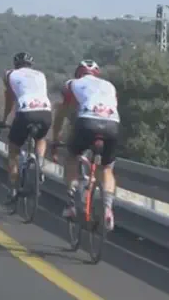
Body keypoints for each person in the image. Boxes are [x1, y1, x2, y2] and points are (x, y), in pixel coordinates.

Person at [51, 60, 120, 231]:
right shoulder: (109, 86)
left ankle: (72, 205)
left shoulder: (72, 84)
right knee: (106, 169)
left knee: (72, 157)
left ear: (78, 73)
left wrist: (56, 136)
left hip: (87, 123)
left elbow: (63, 112)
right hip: (112, 124)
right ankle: (107, 209)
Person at [0, 52, 52, 205]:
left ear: (15, 64)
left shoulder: (10, 74)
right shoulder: (41, 75)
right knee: (41, 138)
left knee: (13, 149)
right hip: (45, 112)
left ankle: (13, 188)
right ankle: (39, 164)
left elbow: (10, 98)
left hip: (25, 113)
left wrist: (4, 119)